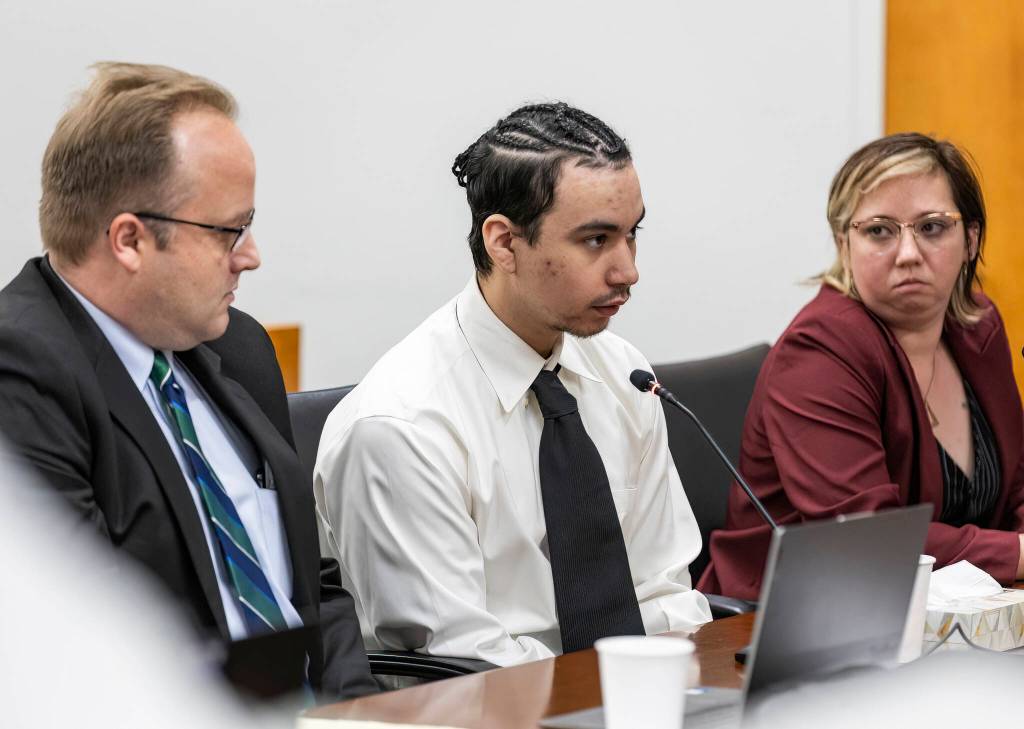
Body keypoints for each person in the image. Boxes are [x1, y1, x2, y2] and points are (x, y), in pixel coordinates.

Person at [0, 62, 375, 700]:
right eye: (230, 230)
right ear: (130, 240)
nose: (251, 256)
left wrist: (360, 714)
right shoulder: (22, 376)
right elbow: (76, 655)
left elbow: (311, 585)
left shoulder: (238, 345)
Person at [315, 102, 711, 667]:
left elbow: (663, 591)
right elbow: (463, 662)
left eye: (632, 234)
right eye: (596, 240)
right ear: (503, 243)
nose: (628, 270)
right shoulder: (400, 427)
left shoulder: (623, 373)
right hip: (485, 703)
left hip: (631, 693)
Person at [700, 133, 1024, 600]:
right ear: (843, 244)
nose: (908, 253)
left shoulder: (978, 327)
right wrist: (1016, 553)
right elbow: (871, 539)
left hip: (960, 613)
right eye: (879, 231)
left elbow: (1017, 487)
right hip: (790, 618)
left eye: (932, 227)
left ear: (970, 239)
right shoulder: (818, 352)